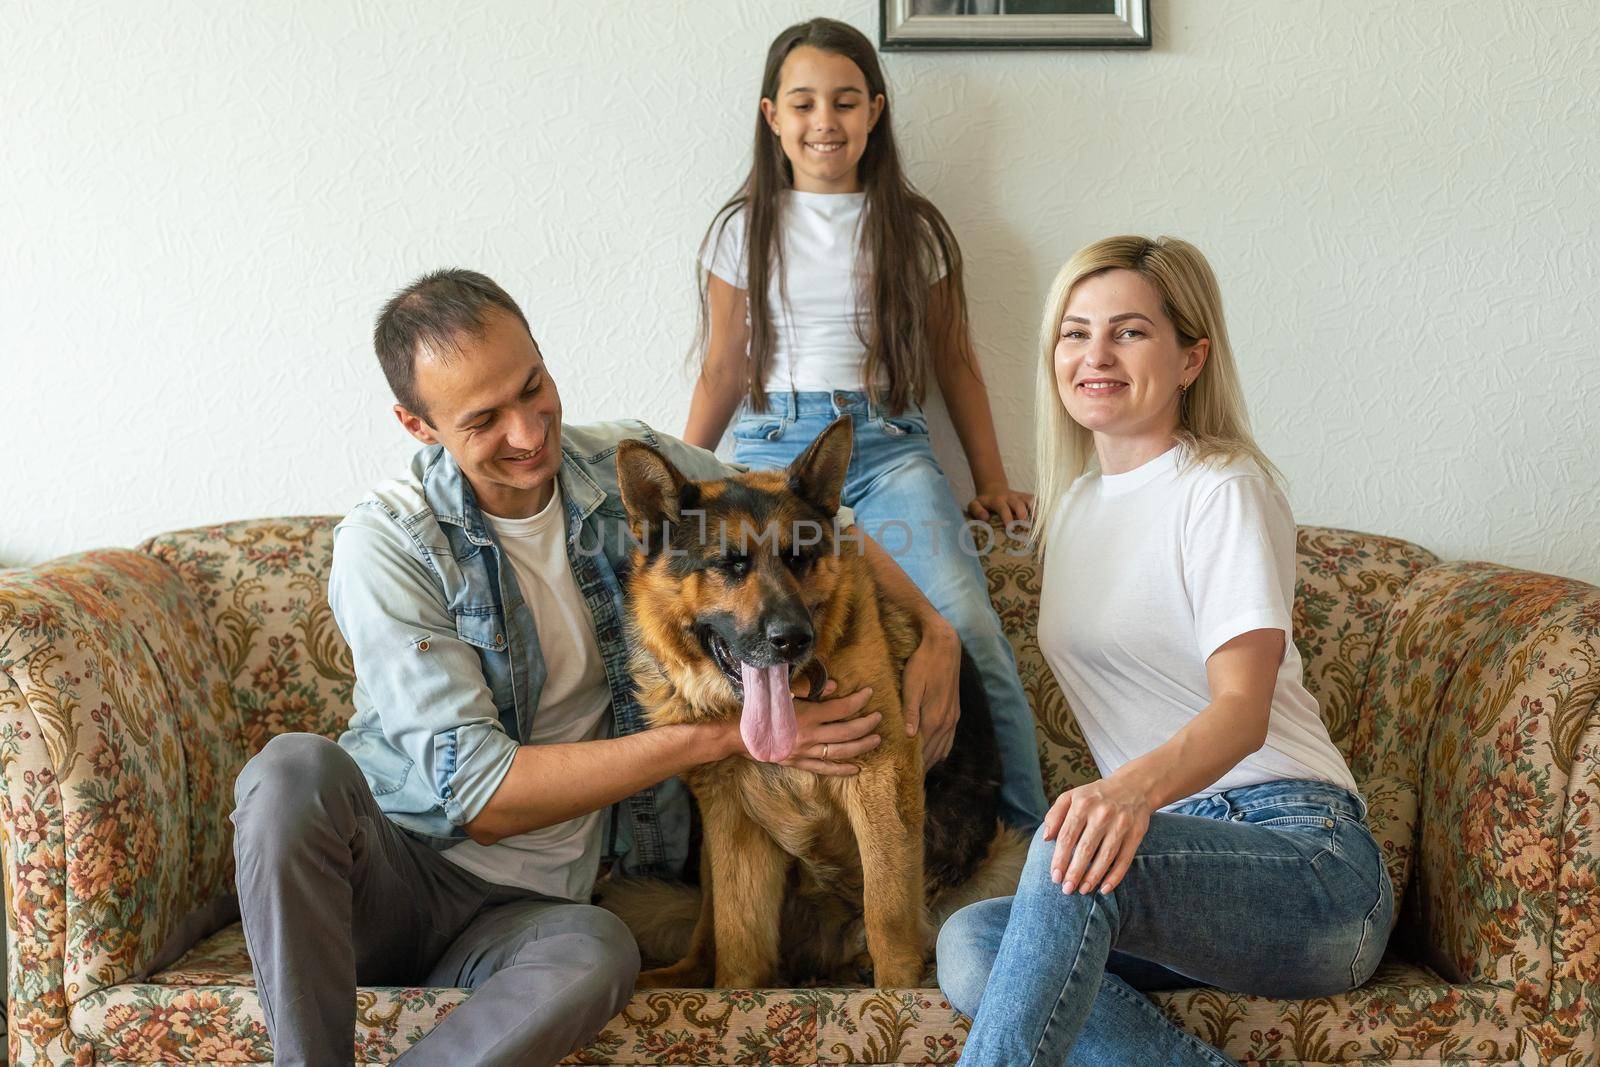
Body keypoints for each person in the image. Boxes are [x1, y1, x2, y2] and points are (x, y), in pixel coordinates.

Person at [230, 269, 960, 1067]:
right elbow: (482, 797)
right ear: (418, 424)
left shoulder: (623, 470)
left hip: (539, 910)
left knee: (601, 954)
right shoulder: (388, 543)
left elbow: (810, 513)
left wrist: (935, 630)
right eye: (483, 419)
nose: (527, 431)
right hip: (395, 876)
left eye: (532, 386)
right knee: (290, 770)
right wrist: (721, 740)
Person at [936, 236, 1393, 1066]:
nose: (1095, 355)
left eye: (1130, 332)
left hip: (1305, 862)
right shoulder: (1073, 508)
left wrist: (1125, 796)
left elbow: (1242, 712)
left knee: (1065, 848)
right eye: (1075, 332)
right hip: (1162, 869)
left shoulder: (1223, 488)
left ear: (1191, 358)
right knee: (971, 941)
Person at [682, 16, 1047, 830]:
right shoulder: (741, 228)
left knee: (972, 629)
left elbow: (955, 362)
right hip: (773, 453)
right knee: (716, 643)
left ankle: (1033, 848)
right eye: (805, 103)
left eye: (845, 102)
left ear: (875, 111)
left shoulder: (912, 228)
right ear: (772, 115)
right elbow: (721, 369)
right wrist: (684, 473)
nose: (825, 122)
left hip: (886, 450)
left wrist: (989, 481)